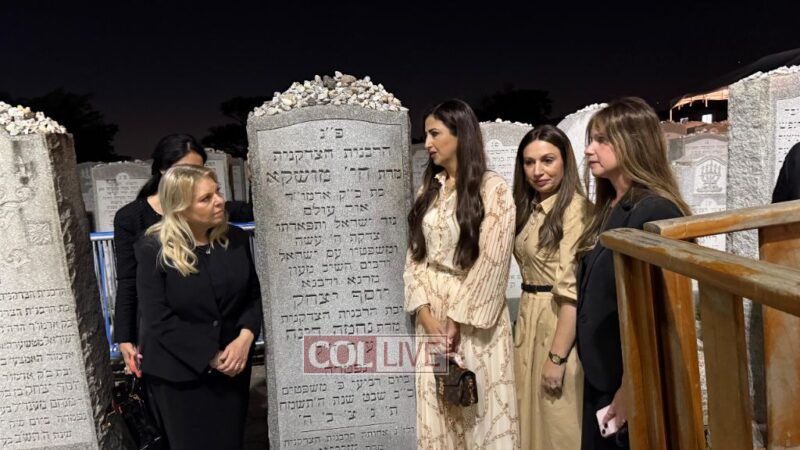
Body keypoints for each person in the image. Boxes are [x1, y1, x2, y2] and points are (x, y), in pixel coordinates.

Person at [575, 97, 691, 449]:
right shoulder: (610, 206)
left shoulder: (654, 210)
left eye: (601, 140)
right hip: (603, 376)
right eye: (590, 140)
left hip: (631, 382)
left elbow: (658, 313)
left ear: (632, 142)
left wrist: (631, 387)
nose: (589, 150)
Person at [403, 99, 520, 449]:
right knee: (440, 410)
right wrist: (426, 315)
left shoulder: (493, 189)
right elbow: (415, 255)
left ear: (460, 135)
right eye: (426, 134)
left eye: (434, 133)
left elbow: (493, 259)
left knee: (478, 413)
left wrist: (456, 319)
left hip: (474, 320)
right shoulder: (430, 189)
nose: (427, 143)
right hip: (432, 319)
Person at [135, 165, 262, 450]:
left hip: (232, 368)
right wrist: (210, 356)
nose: (219, 201)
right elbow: (158, 319)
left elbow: (252, 297)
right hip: (179, 376)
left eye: (217, 192)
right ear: (180, 208)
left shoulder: (235, 239)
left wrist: (244, 339)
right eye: (206, 198)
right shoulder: (152, 249)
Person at [113, 134, 253, 377]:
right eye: (184, 169)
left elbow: (253, 211)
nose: (193, 176)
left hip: (217, 338)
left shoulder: (213, 211)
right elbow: (128, 281)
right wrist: (125, 337)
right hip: (164, 335)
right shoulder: (132, 218)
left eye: (198, 169)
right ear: (163, 170)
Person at [511, 125, 590, 450]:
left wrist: (557, 357)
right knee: (529, 421)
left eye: (547, 160)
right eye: (529, 162)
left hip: (556, 322)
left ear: (565, 161)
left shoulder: (575, 210)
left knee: (557, 424)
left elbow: (571, 293)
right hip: (528, 320)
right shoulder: (531, 208)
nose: (537, 171)